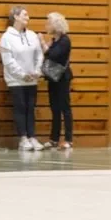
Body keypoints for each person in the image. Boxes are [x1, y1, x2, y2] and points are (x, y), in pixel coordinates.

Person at [0, 6, 44, 151]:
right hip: (16, 81)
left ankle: (32, 137)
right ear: (16, 17)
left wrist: (37, 71)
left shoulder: (32, 35)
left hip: (32, 79)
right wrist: (22, 75)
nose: (28, 17)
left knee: (30, 108)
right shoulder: (6, 38)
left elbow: (39, 54)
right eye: (25, 15)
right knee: (20, 108)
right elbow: (8, 61)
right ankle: (23, 138)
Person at [41, 12, 74, 150]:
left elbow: (53, 55)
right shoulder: (55, 40)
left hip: (62, 78)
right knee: (54, 108)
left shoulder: (65, 40)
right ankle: (54, 138)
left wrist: (42, 43)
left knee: (65, 108)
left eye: (49, 22)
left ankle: (68, 139)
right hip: (53, 77)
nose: (47, 25)